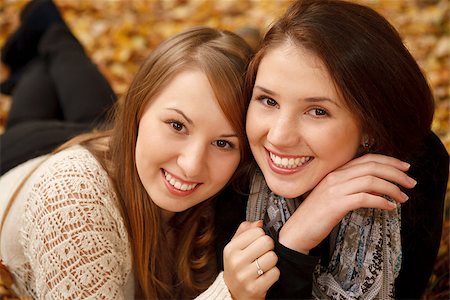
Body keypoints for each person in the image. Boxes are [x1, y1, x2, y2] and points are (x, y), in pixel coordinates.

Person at [0, 2, 254, 299]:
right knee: (60, 70)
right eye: (177, 125)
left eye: (223, 143)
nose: (192, 165)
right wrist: (229, 293)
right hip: (20, 154)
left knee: (81, 104)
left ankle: (34, 62)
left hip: (107, 146)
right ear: (136, 109)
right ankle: (47, 23)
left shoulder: (226, 184)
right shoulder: (72, 198)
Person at [214, 0, 449, 299]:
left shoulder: (416, 167)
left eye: (317, 111)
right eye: (269, 101)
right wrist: (293, 245)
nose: (279, 136)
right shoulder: (232, 168)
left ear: (370, 125)